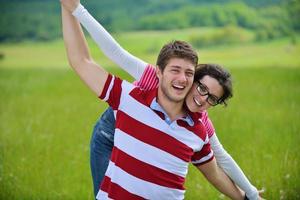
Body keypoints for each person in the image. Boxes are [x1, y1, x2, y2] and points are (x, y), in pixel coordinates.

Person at [70, 3, 261, 200]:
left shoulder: (199, 123)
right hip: (112, 130)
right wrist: (76, 10)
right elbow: (115, 52)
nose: (202, 98)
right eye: (201, 88)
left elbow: (221, 159)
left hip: (149, 135)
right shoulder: (155, 77)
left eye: (212, 98)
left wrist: (252, 194)